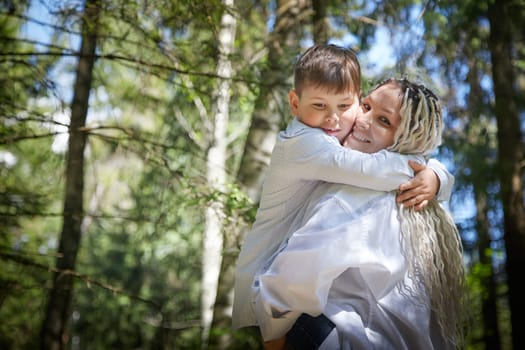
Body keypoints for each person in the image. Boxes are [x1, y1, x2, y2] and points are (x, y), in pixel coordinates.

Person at [232, 44, 454, 331]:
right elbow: (370, 169)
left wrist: (437, 176)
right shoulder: (307, 143)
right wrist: (431, 175)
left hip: (281, 303)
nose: (335, 118)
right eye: (320, 105)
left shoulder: (335, 138)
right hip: (263, 292)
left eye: (347, 106)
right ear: (295, 103)